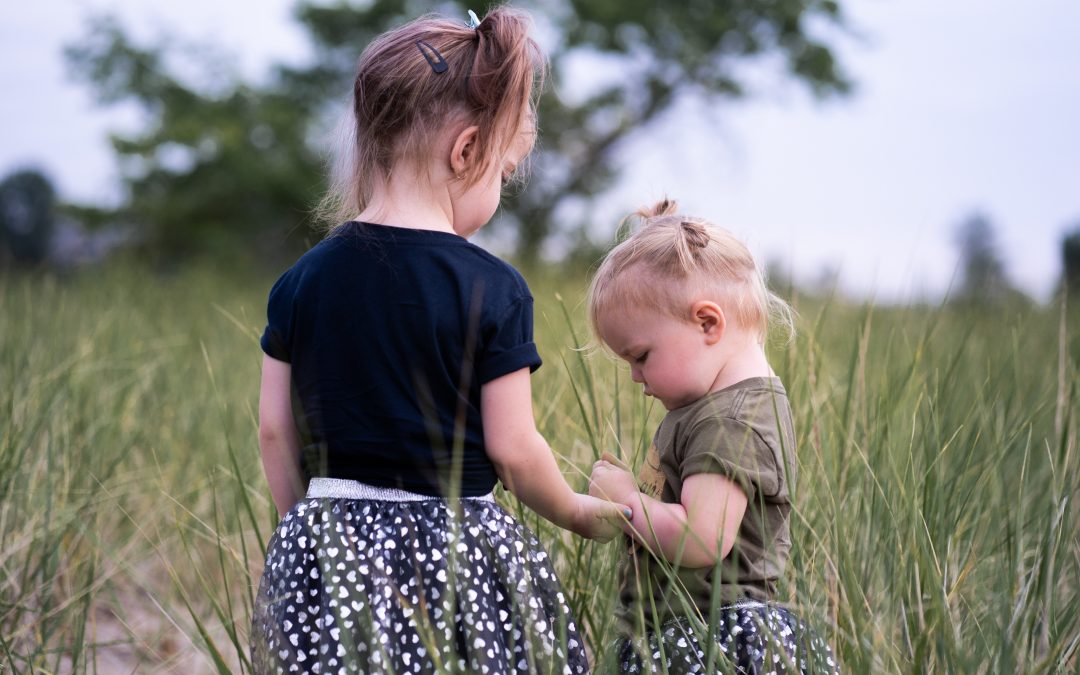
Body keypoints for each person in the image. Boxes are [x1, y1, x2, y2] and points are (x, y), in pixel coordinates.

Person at [250, 8, 629, 673]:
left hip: (330, 532)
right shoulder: (494, 286)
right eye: (503, 173)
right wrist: (573, 509)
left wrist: (303, 533)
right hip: (458, 551)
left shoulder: (299, 281)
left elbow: (275, 432)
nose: (499, 191)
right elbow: (513, 448)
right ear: (466, 151)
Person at [586, 200, 838, 674]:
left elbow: (702, 538)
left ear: (707, 323)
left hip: (713, 639)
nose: (636, 377)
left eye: (641, 356)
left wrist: (626, 504)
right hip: (681, 633)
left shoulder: (733, 420)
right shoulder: (706, 407)